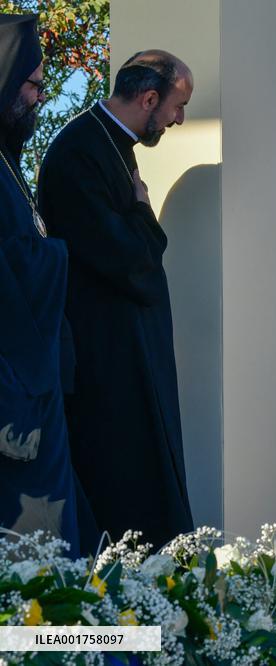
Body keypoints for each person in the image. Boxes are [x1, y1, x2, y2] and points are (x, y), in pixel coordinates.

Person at [38, 50, 194, 549]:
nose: (178, 119)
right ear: (149, 98)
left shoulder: (112, 145)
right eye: (176, 105)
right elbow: (128, 261)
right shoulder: (79, 152)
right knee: (122, 492)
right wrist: (146, 215)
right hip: (106, 360)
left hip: (128, 352)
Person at [0, 13, 82, 555]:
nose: (40, 97)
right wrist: (56, 252)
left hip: (36, 383)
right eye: (32, 84)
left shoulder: (9, 163)